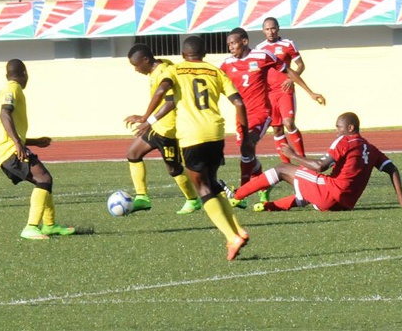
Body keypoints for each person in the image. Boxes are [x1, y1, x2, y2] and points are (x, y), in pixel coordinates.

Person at [134, 36, 251, 261]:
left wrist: (145, 117)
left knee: (203, 189)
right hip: (215, 134)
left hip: (192, 136)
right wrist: (245, 137)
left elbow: (162, 91)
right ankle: (238, 230)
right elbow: (238, 103)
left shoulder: (175, 70)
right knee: (213, 183)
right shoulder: (216, 71)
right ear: (204, 53)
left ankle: (231, 236)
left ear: (183, 55)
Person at [228, 112, 402, 212]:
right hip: (346, 204)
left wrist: (293, 155)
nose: (337, 131)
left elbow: (320, 166)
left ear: (350, 127)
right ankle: (267, 206)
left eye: (339, 127)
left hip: (331, 194)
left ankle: (237, 196)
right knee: (310, 185)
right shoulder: (371, 148)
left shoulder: (345, 140)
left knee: (283, 168)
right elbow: (392, 169)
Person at [220, 27, 325, 206]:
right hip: (242, 117)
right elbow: (215, 82)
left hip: (261, 113)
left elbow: (289, 71)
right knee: (247, 155)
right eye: (229, 43)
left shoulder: (262, 56)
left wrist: (310, 92)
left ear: (244, 42)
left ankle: (241, 194)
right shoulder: (227, 64)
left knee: (248, 146)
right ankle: (260, 179)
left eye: (234, 43)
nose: (230, 47)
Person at [0, 59, 75, 240]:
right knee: (43, 178)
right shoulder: (11, 89)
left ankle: (50, 225)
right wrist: (19, 144)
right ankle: (31, 227)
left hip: (7, 147)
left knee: (44, 181)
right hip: (8, 149)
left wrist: (33, 141)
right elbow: (4, 114)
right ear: (25, 74)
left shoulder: (13, 89)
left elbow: (7, 124)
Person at [124, 44, 202, 215]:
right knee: (133, 154)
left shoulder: (163, 73)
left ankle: (193, 200)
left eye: (136, 65)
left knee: (173, 168)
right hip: (156, 126)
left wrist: (146, 119)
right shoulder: (161, 65)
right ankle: (142, 198)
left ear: (146, 60)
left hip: (168, 130)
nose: (136, 70)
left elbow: (169, 101)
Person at [255, 17, 307, 164]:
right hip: (270, 93)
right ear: (263, 30)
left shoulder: (288, 44)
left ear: (278, 28)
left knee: (289, 123)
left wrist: (291, 79)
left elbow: (301, 65)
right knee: (277, 129)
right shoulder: (259, 48)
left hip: (285, 90)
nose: (270, 32)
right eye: (267, 29)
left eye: (272, 28)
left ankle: (302, 159)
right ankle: (286, 164)